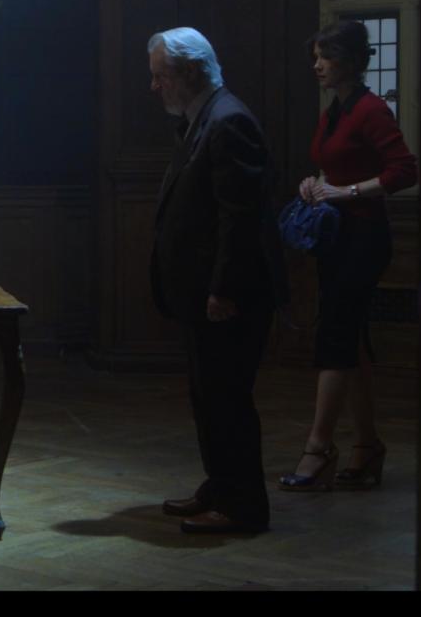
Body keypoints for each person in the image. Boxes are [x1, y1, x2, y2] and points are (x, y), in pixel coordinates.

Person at [148, 27, 289, 534]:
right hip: (203, 294)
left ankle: (243, 506)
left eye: (161, 76)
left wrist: (224, 290)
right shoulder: (202, 118)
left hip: (228, 297)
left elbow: (241, 218)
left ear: (190, 72)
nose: (155, 86)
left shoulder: (228, 121)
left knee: (227, 400)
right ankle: (220, 487)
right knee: (209, 397)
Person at [279, 21, 417, 492]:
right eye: (315, 57)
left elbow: (405, 170)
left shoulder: (371, 109)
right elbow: (335, 168)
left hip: (364, 239)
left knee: (336, 336)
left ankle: (319, 447)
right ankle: (367, 446)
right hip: (338, 238)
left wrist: (347, 191)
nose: (317, 65)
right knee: (349, 338)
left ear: (352, 61)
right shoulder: (336, 110)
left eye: (326, 57)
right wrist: (315, 184)